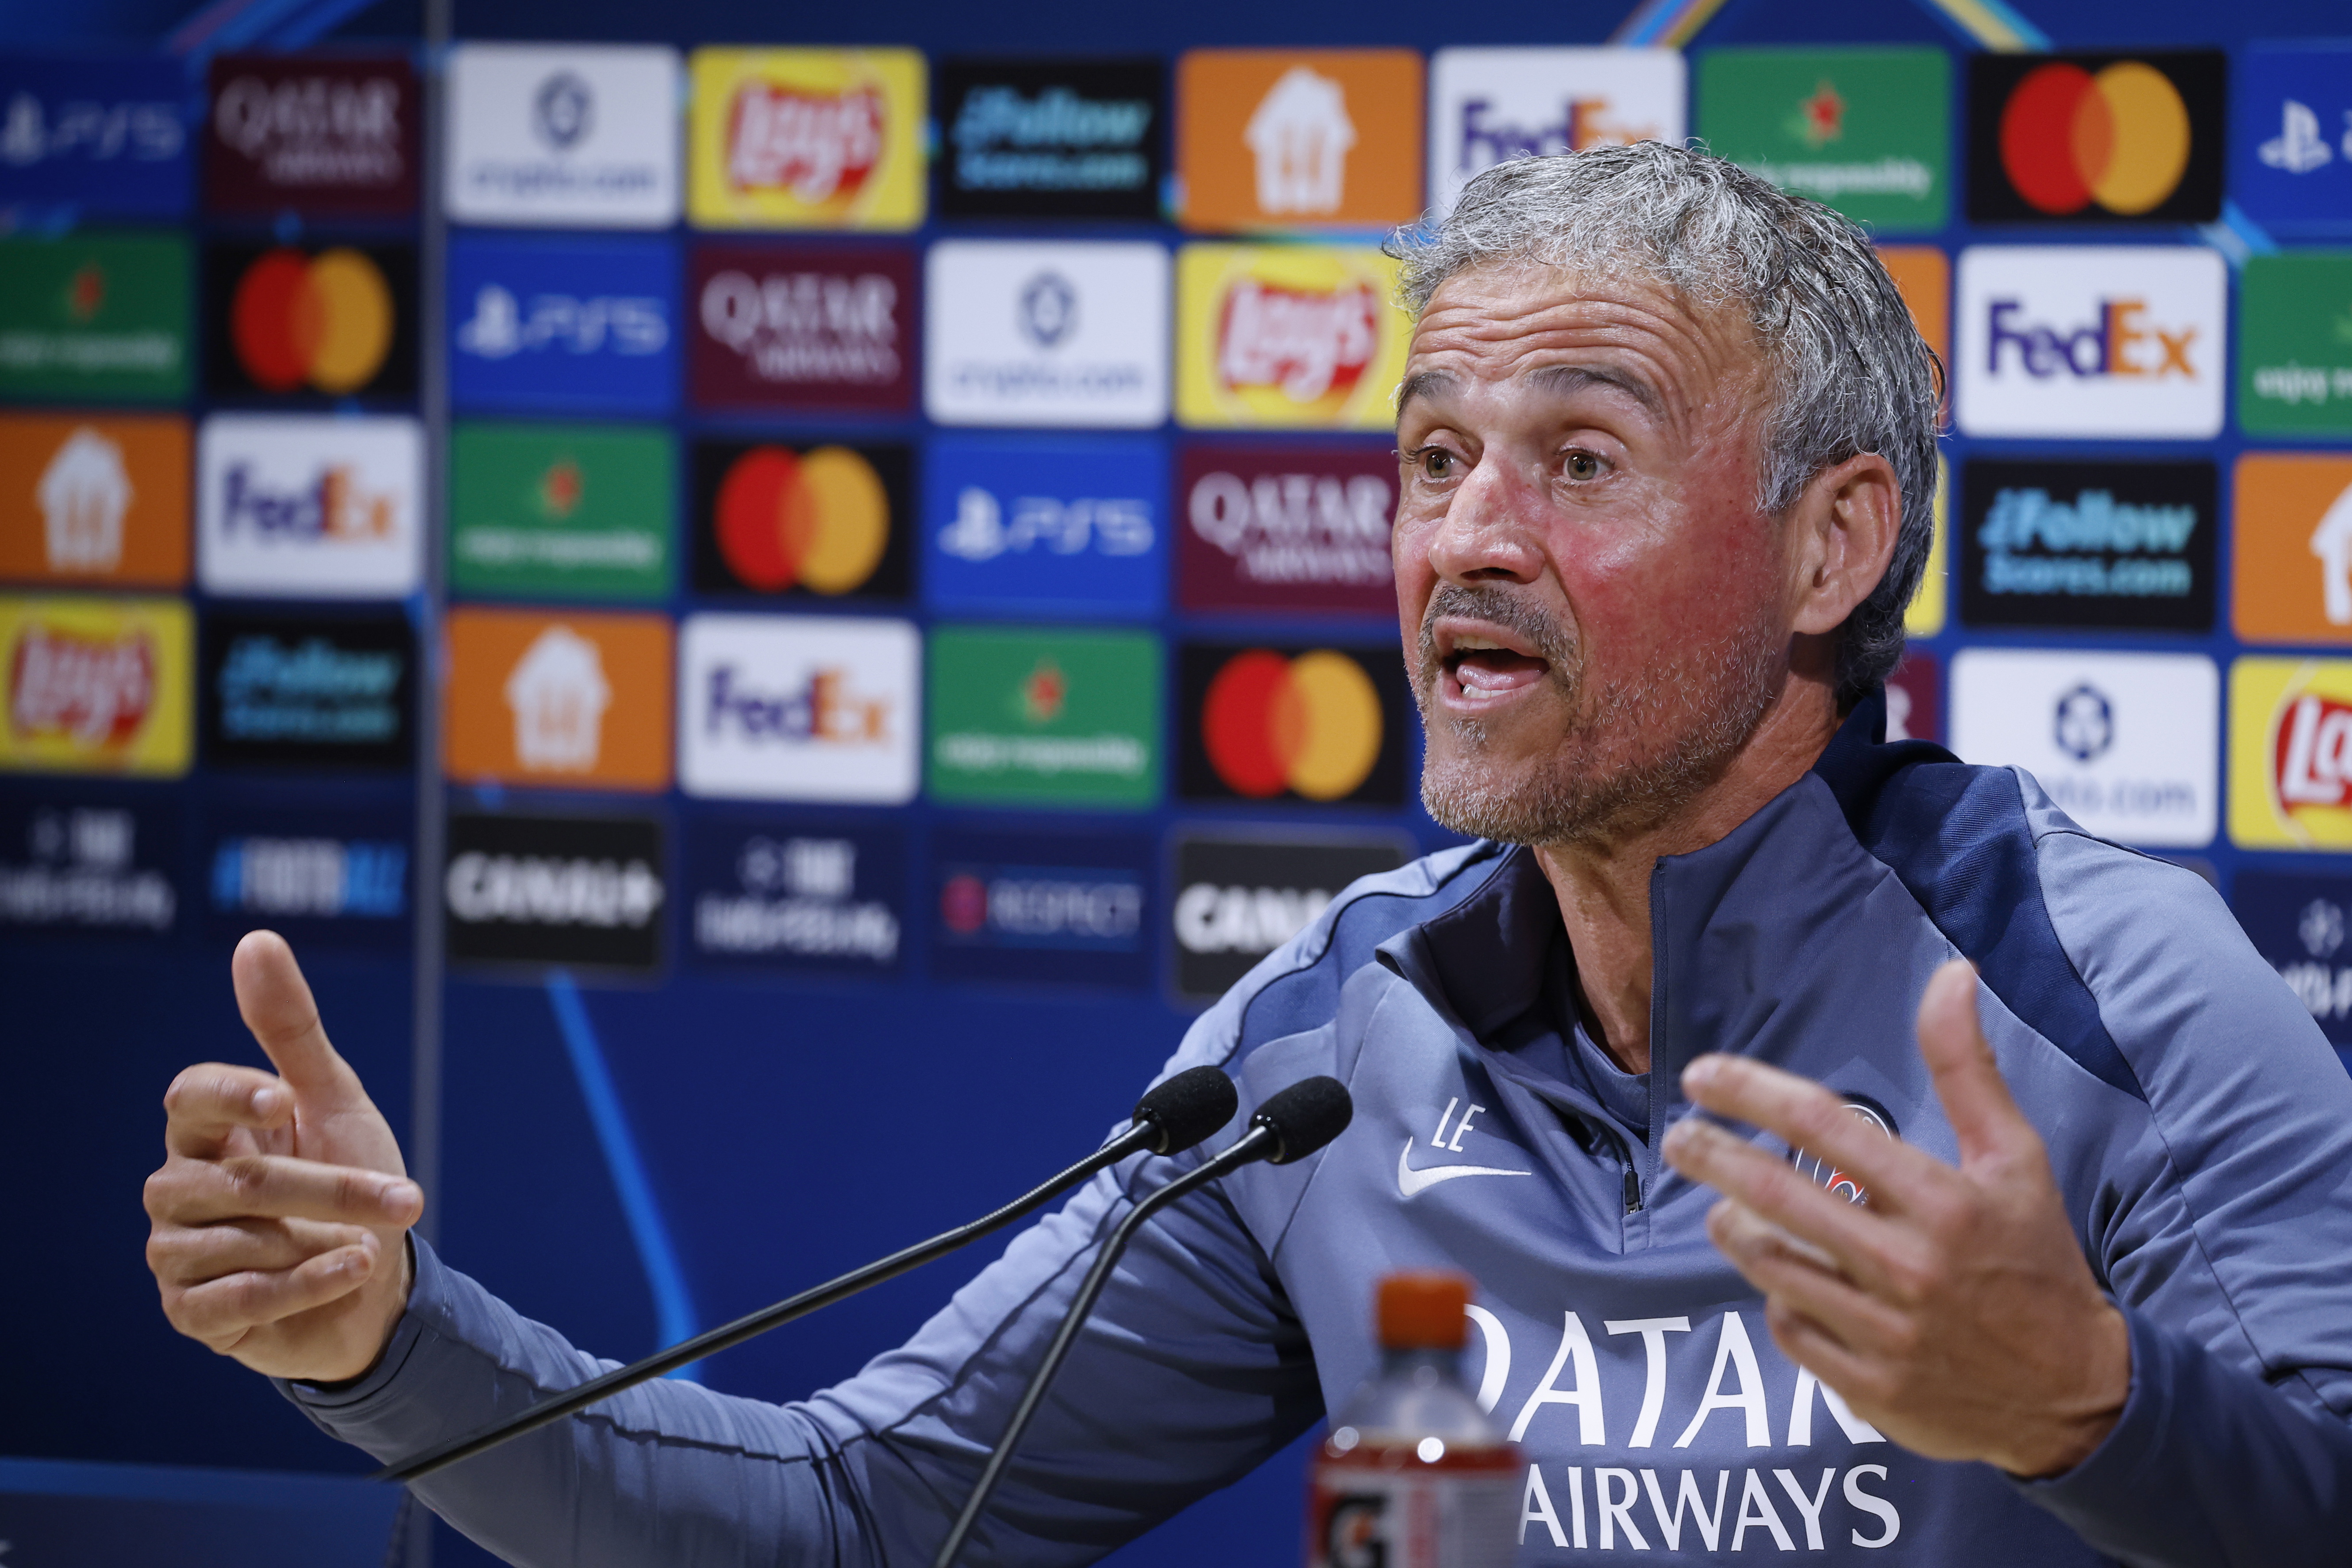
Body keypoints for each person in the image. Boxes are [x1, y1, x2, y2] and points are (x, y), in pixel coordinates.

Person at [144, 144, 2352, 1566]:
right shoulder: (1335, 1050)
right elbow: (854, 1515)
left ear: (1831, 543)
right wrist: (380, 1340)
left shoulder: (2107, 999)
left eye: (1579, 458)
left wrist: (2089, 1408)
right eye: (1430, 460)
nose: (1467, 542)